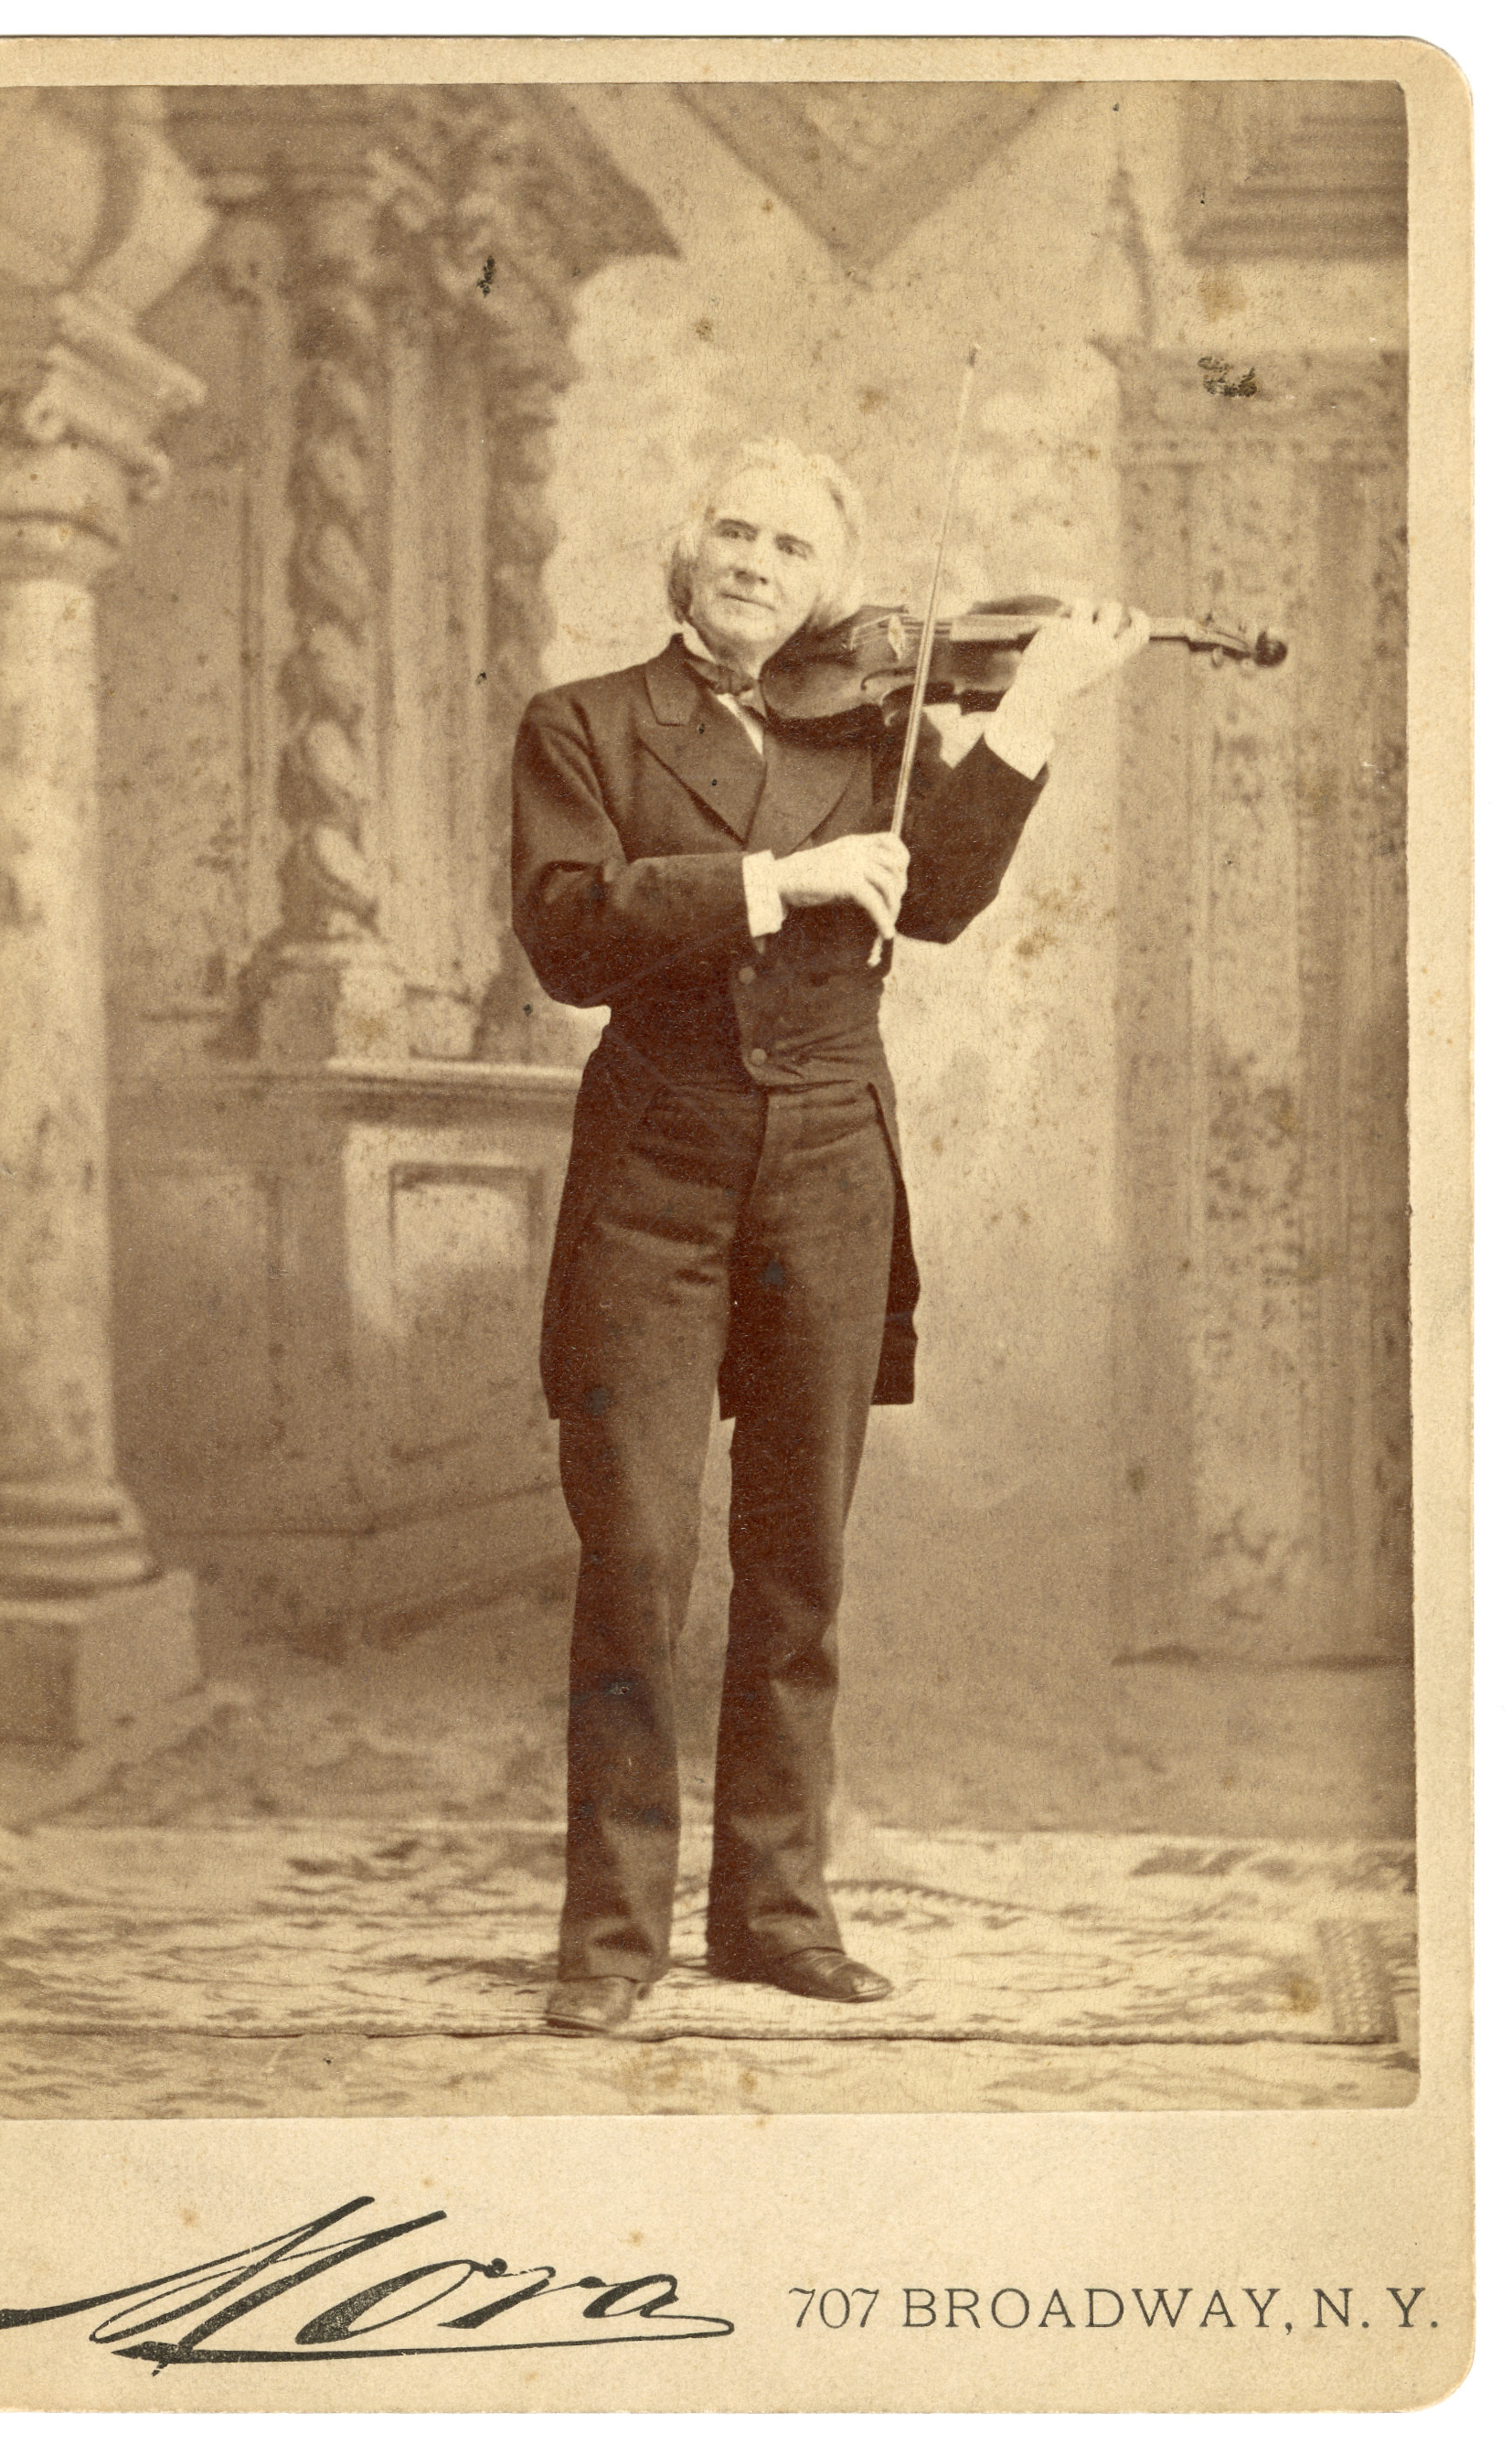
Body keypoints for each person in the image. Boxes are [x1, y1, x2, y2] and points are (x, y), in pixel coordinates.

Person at [510, 436, 1147, 2035]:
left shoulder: (867, 724)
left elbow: (932, 904)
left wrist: (1036, 712)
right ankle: (610, 1935)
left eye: (792, 545)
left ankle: (776, 1913)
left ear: (830, 587)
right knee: (640, 1554)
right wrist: (774, 881)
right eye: (732, 527)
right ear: (685, 550)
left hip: (826, 1164)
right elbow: (570, 934)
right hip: (652, 1167)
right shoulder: (583, 723)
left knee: (796, 1559)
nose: (754, 560)